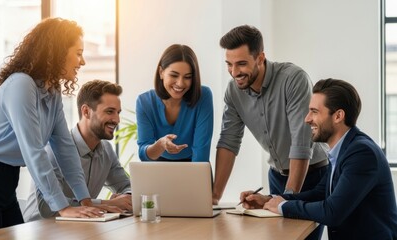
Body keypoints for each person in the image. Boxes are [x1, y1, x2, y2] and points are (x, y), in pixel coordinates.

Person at [0, 18, 103, 237]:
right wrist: (62, 207)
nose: (82, 62)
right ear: (59, 51)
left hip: (7, 183)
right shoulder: (21, 84)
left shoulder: (52, 94)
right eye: (78, 52)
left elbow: (65, 149)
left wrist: (85, 200)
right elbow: (34, 151)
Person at [246, 78, 397, 239]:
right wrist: (269, 200)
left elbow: (332, 212)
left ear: (338, 116)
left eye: (314, 112)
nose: (307, 119)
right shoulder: (343, 149)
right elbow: (320, 194)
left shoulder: (361, 153)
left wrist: (284, 206)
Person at [212, 25, 329, 203]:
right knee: (275, 230)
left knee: (298, 231)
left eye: (242, 64)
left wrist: (287, 199)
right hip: (276, 177)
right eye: (229, 64)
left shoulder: (293, 79)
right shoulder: (233, 91)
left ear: (260, 58)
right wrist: (214, 198)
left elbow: (301, 142)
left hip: (313, 174)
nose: (234, 72)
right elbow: (229, 141)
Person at [23, 80, 132, 222]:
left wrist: (127, 197)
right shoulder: (55, 149)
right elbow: (50, 206)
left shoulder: (106, 150)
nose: (117, 119)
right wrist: (106, 204)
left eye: (118, 113)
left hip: (80, 227)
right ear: (86, 111)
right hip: (41, 228)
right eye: (109, 111)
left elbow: (125, 185)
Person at [136, 44, 214, 162]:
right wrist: (161, 144)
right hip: (156, 167)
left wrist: (197, 178)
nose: (180, 83)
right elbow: (144, 155)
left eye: (187, 77)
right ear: (161, 72)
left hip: (194, 164)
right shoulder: (144, 102)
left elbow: (201, 151)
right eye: (174, 75)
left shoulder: (203, 96)